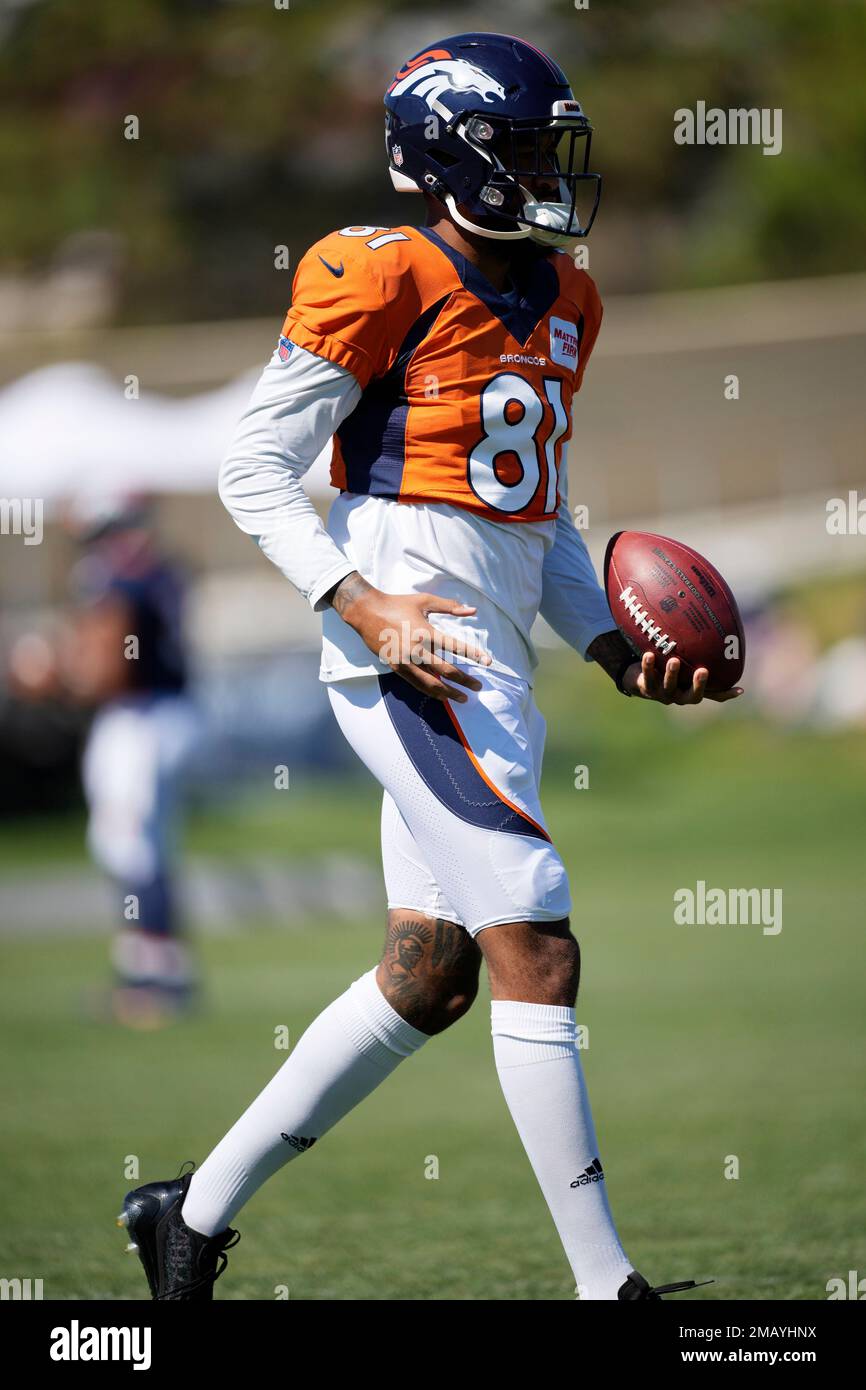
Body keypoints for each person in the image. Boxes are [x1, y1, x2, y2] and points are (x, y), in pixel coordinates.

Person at [118, 32, 740, 1299]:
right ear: (447, 158)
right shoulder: (375, 270)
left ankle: (188, 1212)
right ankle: (603, 1286)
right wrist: (359, 601)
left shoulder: (567, 298)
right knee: (540, 941)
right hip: (413, 661)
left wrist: (615, 647)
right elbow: (250, 469)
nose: (547, 178)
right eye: (519, 152)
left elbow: (540, 521)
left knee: (432, 974)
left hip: (493, 665)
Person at [12, 495, 199, 1026]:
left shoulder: (117, 576)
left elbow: (109, 669)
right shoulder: (158, 568)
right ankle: (160, 970)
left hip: (138, 720)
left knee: (127, 844)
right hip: (161, 715)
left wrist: (54, 677)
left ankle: (151, 978)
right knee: (146, 845)